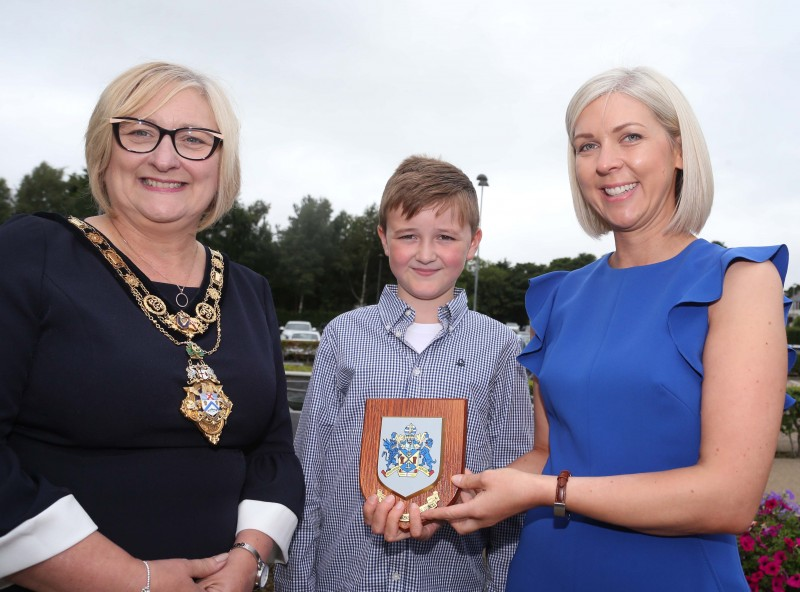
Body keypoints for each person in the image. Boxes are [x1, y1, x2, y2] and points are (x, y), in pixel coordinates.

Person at [423, 67, 796, 590]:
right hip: (543, 573)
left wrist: (546, 493)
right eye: (586, 145)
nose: (606, 163)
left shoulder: (739, 284)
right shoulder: (559, 297)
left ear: (680, 150)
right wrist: (450, 495)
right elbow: (545, 454)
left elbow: (729, 498)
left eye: (631, 137)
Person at [0, 62, 303, 592]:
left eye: (194, 139)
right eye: (139, 132)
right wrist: (126, 578)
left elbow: (273, 449)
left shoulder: (250, 290)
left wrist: (251, 554)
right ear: (104, 147)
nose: (165, 157)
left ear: (221, 162)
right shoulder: (31, 255)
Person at [274, 156, 534, 592]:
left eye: (446, 237)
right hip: (346, 577)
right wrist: (297, 582)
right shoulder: (343, 336)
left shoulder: (500, 348)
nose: (426, 253)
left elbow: (513, 483)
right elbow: (310, 473)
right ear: (383, 239)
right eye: (408, 236)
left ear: (474, 243)